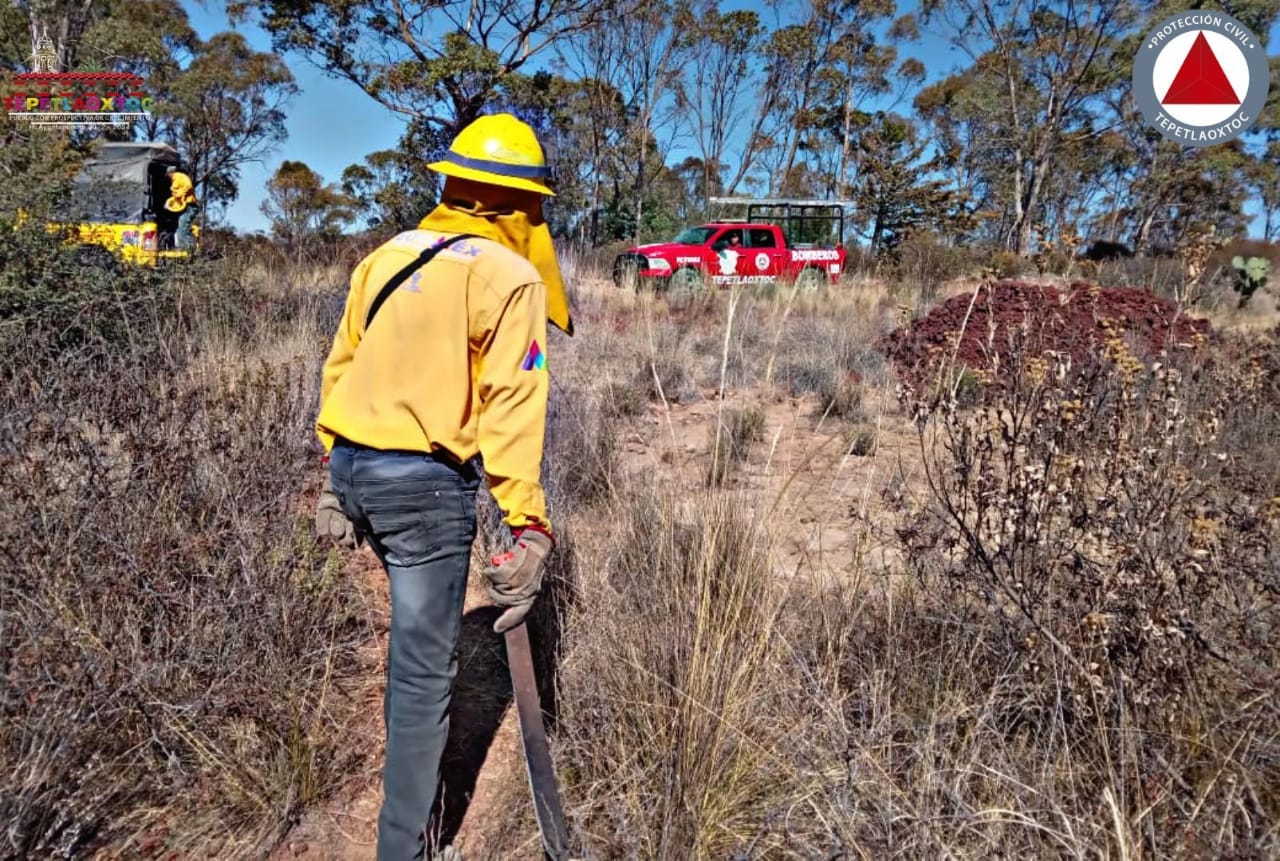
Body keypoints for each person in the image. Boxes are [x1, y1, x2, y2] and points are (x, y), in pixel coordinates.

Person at [312, 112, 574, 860]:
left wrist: (336, 474)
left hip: (356, 470)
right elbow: (513, 405)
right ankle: (407, 850)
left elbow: (343, 367)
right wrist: (528, 524)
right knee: (423, 677)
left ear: (455, 185)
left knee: (410, 647)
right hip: (423, 490)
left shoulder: (384, 257)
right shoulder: (507, 274)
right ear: (521, 203)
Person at [164, 165, 197, 250]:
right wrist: (168, 204)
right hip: (186, 207)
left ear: (170, 173)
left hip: (189, 206)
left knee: (183, 228)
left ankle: (188, 250)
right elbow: (175, 199)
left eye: (168, 175)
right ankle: (186, 248)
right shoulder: (176, 179)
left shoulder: (179, 176)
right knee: (181, 228)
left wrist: (179, 194)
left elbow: (188, 186)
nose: (168, 177)